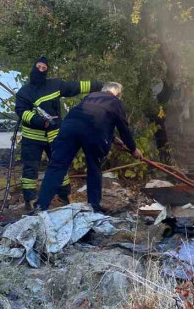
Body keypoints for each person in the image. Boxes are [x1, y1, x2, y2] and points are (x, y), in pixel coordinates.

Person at [35, 82, 143, 213]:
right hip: (93, 133)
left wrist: (114, 139)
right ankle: (94, 207)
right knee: (94, 168)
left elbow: (90, 118)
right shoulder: (115, 102)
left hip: (68, 128)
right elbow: (123, 129)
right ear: (118, 94)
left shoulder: (91, 96)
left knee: (56, 167)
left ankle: (40, 207)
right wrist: (133, 149)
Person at [14, 56, 103, 211]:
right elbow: (22, 113)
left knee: (60, 165)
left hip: (54, 135)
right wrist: (40, 121)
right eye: (38, 67)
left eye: (44, 68)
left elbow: (75, 87)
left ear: (47, 70)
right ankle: (30, 199)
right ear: (34, 67)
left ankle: (65, 195)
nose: (40, 70)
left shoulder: (54, 85)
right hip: (32, 137)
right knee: (30, 169)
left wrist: (99, 86)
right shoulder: (24, 92)